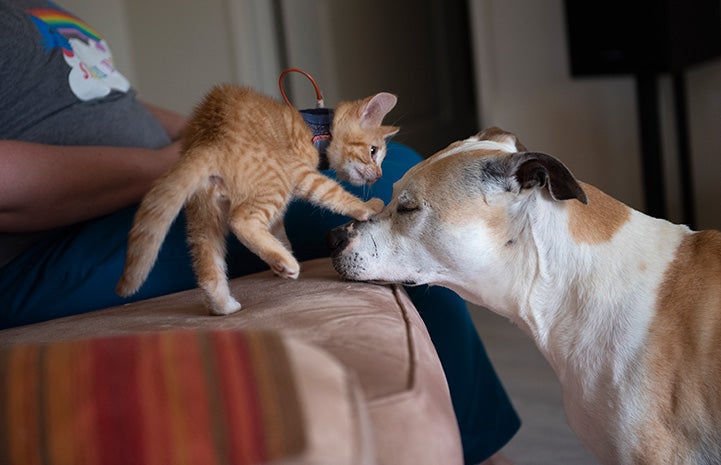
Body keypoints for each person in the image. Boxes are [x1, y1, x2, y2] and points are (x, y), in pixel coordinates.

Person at [0, 1, 520, 463]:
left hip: (159, 176)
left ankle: (475, 443)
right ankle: (480, 451)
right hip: (50, 250)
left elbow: (129, 109)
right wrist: (185, 160)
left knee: (371, 164)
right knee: (380, 188)